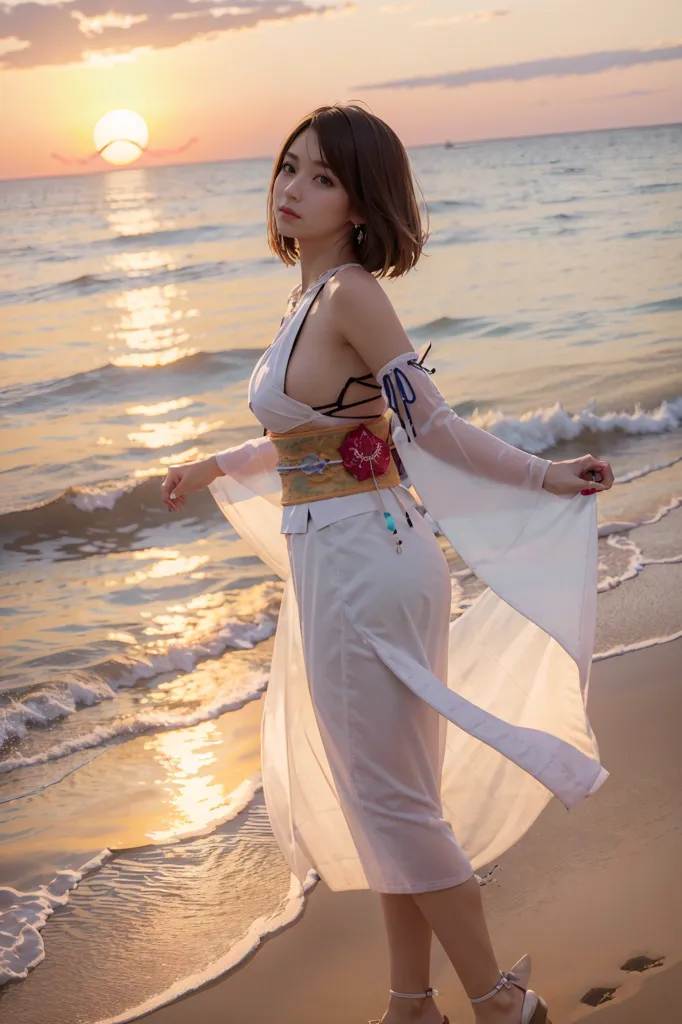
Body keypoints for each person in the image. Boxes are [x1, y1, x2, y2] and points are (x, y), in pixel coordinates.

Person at [161, 103, 614, 1024]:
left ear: (362, 203)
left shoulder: (353, 295)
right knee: (386, 801)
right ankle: (411, 1004)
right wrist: (218, 460)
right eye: (290, 166)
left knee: (395, 803)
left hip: (366, 561)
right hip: (340, 556)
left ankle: (496, 1001)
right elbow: (318, 432)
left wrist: (547, 474)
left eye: (323, 177)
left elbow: (430, 426)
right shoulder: (309, 299)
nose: (292, 187)